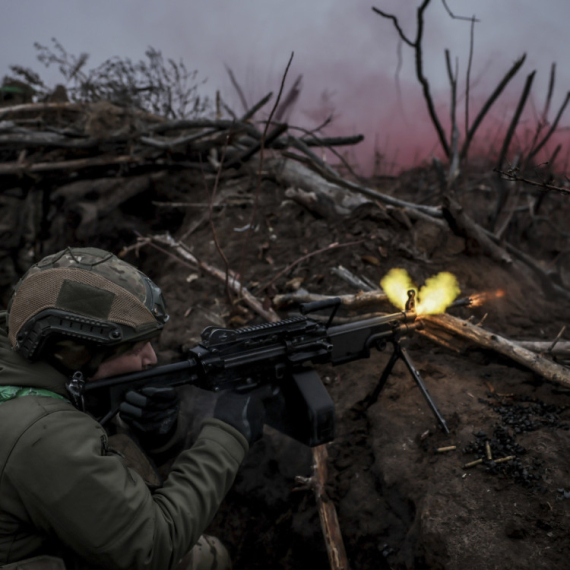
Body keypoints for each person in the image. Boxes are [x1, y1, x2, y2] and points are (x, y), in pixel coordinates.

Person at [0, 247, 265, 570]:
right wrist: (227, 435)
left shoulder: (20, 371)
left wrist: (156, 433)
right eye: (136, 347)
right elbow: (152, 547)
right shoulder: (43, 433)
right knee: (205, 559)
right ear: (79, 351)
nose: (151, 358)